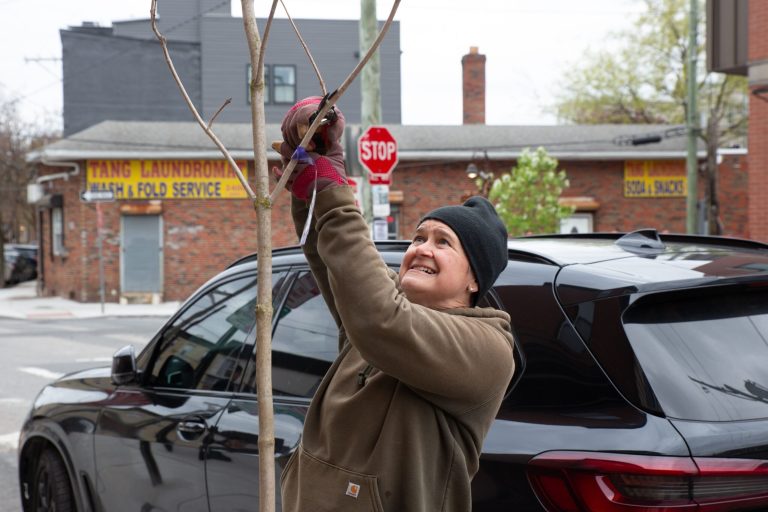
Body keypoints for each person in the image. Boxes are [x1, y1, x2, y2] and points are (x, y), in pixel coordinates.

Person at [274, 97, 515, 512]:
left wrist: (335, 189)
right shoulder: (390, 304)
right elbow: (336, 259)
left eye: (444, 243)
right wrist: (311, 178)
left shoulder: (488, 349)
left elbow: (380, 318)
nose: (422, 249)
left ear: (475, 278)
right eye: (419, 237)